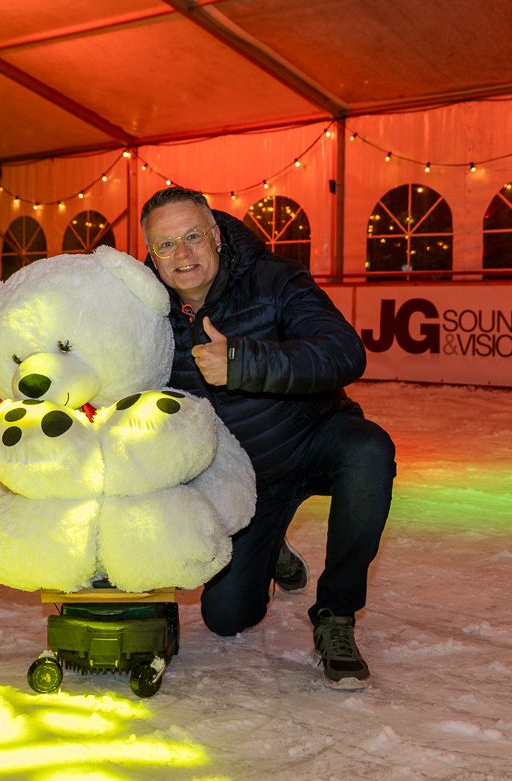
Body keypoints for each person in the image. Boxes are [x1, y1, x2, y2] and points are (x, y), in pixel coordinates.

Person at [139, 186, 396, 690]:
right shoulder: (145, 312)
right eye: (166, 245)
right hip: (246, 482)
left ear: (215, 234)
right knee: (226, 617)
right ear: (151, 255)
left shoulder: (273, 278)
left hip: (314, 438)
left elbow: (344, 351)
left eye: (192, 236)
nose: (182, 254)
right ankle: (271, 541)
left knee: (369, 450)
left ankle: (335, 617)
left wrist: (242, 361)